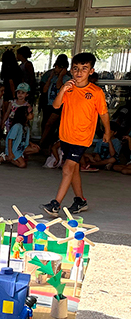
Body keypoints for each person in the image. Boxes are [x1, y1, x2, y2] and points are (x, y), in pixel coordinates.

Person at [41, 53, 113, 216]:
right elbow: (56, 105)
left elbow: (103, 113)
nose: (79, 72)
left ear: (91, 71)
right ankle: (80, 200)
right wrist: (63, 89)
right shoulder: (68, 87)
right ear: (71, 71)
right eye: (76, 69)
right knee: (72, 169)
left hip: (82, 137)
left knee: (67, 168)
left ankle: (55, 204)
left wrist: (107, 131)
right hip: (66, 135)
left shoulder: (95, 92)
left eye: (84, 69)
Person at [39, 54, 71, 151]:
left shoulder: (66, 79)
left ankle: (42, 143)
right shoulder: (52, 77)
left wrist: (61, 75)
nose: (55, 69)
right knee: (46, 124)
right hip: (50, 104)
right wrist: (50, 78)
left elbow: (58, 87)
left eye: (58, 68)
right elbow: (44, 90)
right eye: (55, 67)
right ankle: (46, 144)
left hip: (59, 105)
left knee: (50, 124)